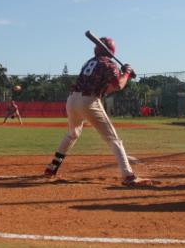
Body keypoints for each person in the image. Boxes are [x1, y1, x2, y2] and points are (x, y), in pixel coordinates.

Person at [43, 36, 153, 187]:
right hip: (89, 101)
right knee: (114, 139)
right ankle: (128, 176)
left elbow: (107, 88)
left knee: (72, 133)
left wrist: (123, 73)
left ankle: (52, 168)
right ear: (112, 51)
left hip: (72, 101)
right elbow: (119, 85)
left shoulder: (90, 62)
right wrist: (126, 73)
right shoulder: (109, 64)